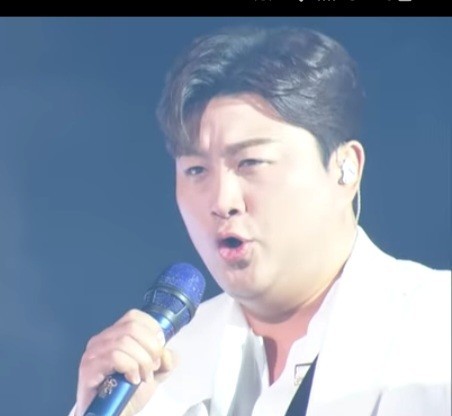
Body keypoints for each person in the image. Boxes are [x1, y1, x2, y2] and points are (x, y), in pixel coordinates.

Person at [69, 26, 451, 416]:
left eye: (251, 162)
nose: (222, 201)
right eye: (196, 170)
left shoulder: (438, 323)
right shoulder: (153, 369)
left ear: (344, 168)